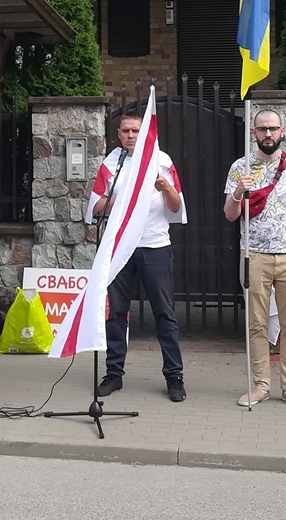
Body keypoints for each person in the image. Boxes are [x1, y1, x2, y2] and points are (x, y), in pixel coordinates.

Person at [89, 112, 187, 402]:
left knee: (165, 313)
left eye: (136, 131)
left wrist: (165, 187)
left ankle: (174, 376)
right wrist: (124, 199)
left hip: (155, 245)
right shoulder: (111, 163)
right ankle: (114, 374)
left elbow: (176, 206)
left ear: (145, 134)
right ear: (118, 134)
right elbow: (96, 207)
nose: (131, 135)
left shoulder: (162, 160)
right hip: (120, 247)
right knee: (116, 312)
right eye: (126, 131)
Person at [225, 109, 286, 409]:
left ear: (282, 132)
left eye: (273, 129)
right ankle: (261, 386)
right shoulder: (241, 166)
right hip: (254, 254)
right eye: (262, 129)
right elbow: (229, 215)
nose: (268, 134)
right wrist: (239, 191)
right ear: (253, 132)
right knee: (256, 324)